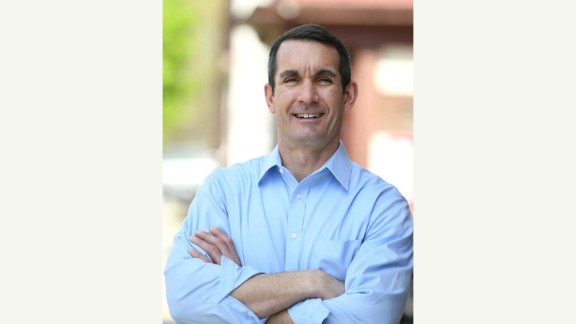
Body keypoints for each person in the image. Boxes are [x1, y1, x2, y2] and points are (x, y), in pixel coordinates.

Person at [164, 23, 413, 324]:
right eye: (291, 79)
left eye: (323, 79)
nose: (307, 96)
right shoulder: (225, 192)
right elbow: (185, 301)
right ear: (270, 97)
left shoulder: (382, 207)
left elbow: (368, 318)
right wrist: (314, 282)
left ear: (348, 95)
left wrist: (242, 291)